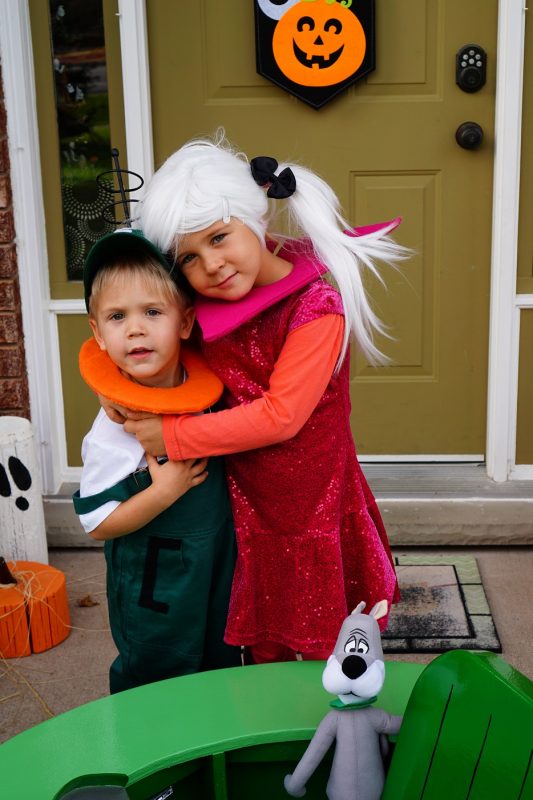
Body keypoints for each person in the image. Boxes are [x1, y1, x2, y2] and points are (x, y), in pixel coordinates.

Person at [104, 133, 408, 664]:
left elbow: (282, 416)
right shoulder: (205, 302)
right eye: (190, 258)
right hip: (244, 506)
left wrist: (172, 435)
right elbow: (160, 347)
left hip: (312, 503)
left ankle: (342, 737)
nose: (212, 265)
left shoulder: (317, 306)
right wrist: (120, 390)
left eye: (220, 237)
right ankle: (268, 741)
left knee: (331, 648)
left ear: (256, 219)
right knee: (260, 646)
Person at [73, 228, 240, 693]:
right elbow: (98, 522)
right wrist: (163, 490)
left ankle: (214, 757)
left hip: (215, 570)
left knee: (218, 665)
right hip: (155, 591)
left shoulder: (209, 388)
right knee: (156, 676)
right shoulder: (113, 431)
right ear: (99, 334)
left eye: (152, 311)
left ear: (185, 323)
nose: (135, 328)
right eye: (116, 316)